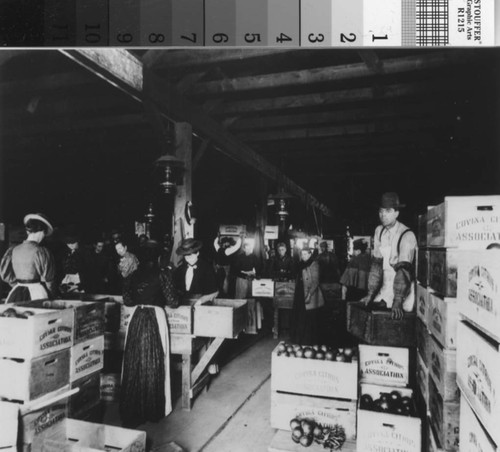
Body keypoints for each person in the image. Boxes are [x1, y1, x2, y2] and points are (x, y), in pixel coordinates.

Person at [120, 244, 180, 428]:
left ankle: (133, 411)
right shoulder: (163, 274)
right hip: (156, 317)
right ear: (159, 258)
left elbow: (127, 300)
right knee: (155, 359)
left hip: (137, 317)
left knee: (134, 361)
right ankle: (153, 409)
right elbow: (173, 301)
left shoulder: (133, 275)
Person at [361, 192, 418, 320]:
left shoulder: (407, 235)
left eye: (388, 211)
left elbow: (404, 270)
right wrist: (370, 293)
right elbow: (376, 265)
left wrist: (398, 300)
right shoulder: (379, 231)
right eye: (381, 211)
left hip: (403, 289)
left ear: (396, 213)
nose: (383, 215)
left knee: (397, 321)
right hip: (385, 286)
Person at [0, 213, 56, 303]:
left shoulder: (13, 250)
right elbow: (49, 281)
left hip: (16, 293)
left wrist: (19, 285)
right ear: (42, 232)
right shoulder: (41, 252)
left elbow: (5, 275)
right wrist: (52, 297)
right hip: (37, 293)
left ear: (28, 231)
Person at [291, 247, 324, 345]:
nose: (304, 256)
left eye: (306, 254)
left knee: (308, 317)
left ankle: (308, 340)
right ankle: (299, 339)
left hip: (310, 294)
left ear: (310, 254)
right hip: (300, 293)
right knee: (300, 316)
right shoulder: (301, 264)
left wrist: (309, 294)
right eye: (302, 254)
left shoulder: (314, 264)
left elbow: (315, 282)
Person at [173, 238, 218, 303]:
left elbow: (215, 292)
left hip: (202, 304)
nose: (188, 258)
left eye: (190, 255)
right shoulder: (180, 270)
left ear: (197, 253)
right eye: (186, 256)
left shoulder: (207, 268)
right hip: (183, 303)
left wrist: (201, 301)